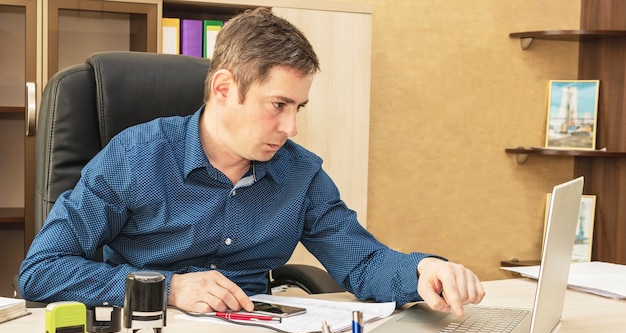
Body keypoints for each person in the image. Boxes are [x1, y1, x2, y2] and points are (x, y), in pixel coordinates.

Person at [19, 8, 484, 316]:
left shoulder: (299, 173)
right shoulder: (134, 155)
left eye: (298, 108)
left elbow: (362, 264)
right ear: (223, 88)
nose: (291, 128)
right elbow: (42, 271)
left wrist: (424, 269)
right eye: (277, 105)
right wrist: (169, 288)